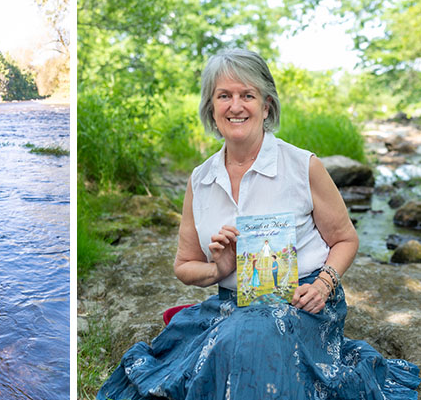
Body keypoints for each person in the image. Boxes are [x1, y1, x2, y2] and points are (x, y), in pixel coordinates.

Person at [97, 49, 421, 400]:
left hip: (302, 302)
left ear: (266, 106)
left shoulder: (302, 166)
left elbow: (345, 239)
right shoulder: (200, 179)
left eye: (247, 95)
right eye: (224, 96)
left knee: (247, 342)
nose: (235, 106)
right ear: (211, 108)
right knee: (231, 343)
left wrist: (324, 286)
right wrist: (217, 269)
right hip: (233, 303)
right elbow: (184, 266)